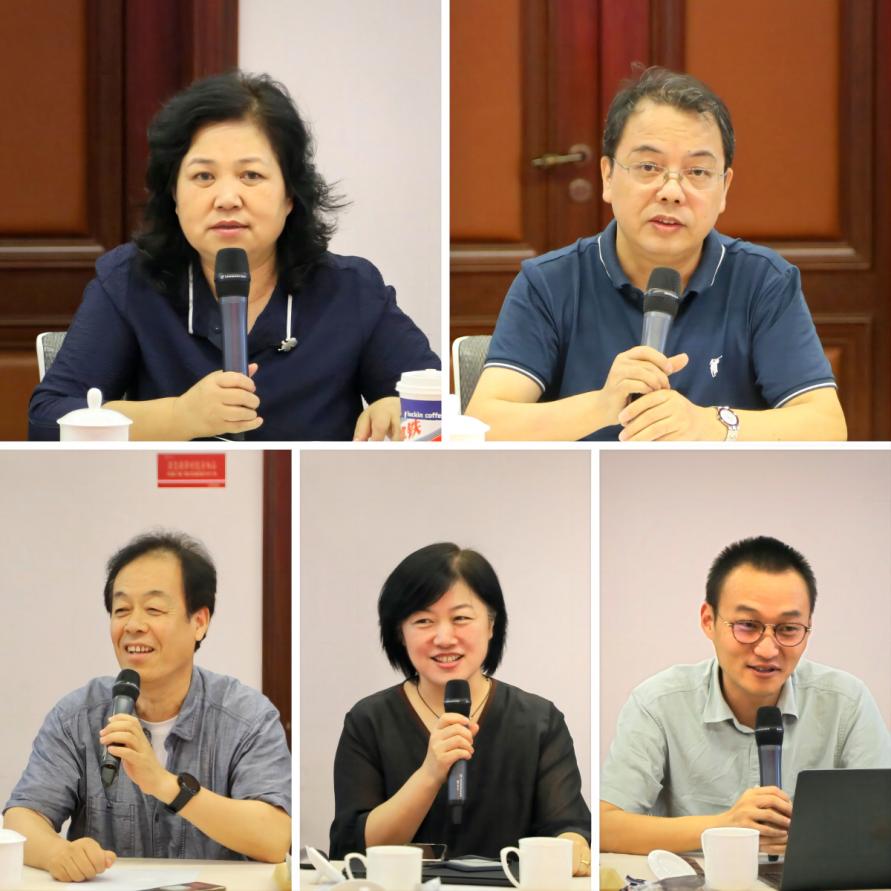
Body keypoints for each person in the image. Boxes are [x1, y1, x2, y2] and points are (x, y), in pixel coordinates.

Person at [29, 71, 439, 442]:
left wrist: (399, 407)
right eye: (203, 176)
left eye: (251, 175)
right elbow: (47, 421)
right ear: (174, 195)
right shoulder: (130, 281)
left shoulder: (350, 290)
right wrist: (178, 416)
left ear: (290, 195)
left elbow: (437, 406)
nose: (227, 198)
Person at [467, 67, 846, 442]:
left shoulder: (763, 281)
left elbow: (826, 426)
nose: (672, 191)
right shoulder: (549, 283)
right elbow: (482, 426)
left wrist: (708, 424)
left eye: (698, 171)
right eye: (649, 167)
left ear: (725, 188)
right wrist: (601, 406)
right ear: (607, 176)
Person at [3, 531, 291, 883]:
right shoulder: (77, 715)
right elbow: (21, 818)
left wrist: (165, 784)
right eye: (121, 610)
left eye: (153, 609)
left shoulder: (247, 717)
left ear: (199, 622)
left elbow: (274, 838)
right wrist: (57, 853)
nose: (134, 626)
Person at [600, 536, 891, 855]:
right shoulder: (658, 703)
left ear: (808, 628)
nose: (767, 650)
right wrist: (725, 826)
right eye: (748, 625)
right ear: (708, 621)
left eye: (788, 628)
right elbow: (605, 827)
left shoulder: (846, 702)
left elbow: (882, 825)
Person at [329, 543, 592, 876]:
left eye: (461, 618)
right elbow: (352, 849)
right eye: (423, 620)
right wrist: (429, 774)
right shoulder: (369, 721)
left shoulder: (539, 721)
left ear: (492, 624)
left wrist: (574, 847)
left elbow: (569, 828)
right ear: (400, 633)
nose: (444, 637)